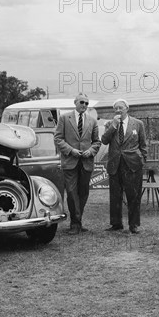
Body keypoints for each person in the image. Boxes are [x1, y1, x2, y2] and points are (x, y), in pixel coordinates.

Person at [54, 93, 101, 235]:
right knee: (71, 192)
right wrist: (71, 150)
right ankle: (75, 223)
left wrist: (91, 151)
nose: (84, 106)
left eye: (87, 103)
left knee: (83, 192)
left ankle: (78, 221)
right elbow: (58, 138)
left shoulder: (92, 121)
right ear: (75, 102)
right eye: (82, 102)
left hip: (86, 162)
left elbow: (97, 142)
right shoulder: (64, 118)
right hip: (70, 161)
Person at [101, 99, 147, 234]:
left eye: (121, 108)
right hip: (115, 164)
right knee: (115, 195)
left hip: (132, 164)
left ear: (127, 108)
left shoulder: (138, 124)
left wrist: (142, 160)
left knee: (133, 195)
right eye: (115, 108)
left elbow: (143, 144)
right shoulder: (110, 124)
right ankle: (116, 223)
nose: (118, 110)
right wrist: (114, 125)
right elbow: (104, 140)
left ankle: (134, 224)